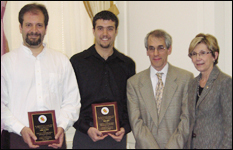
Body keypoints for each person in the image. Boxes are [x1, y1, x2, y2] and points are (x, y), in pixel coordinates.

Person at [1, 3, 81, 149]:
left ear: (45, 28)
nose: (34, 30)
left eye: (39, 25)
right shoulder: (6, 63)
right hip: (20, 140)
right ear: (20, 27)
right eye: (28, 25)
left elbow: (72, 101)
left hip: (55, 140)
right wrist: (21, 129)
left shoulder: (61, 61)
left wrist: (61, 127)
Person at [70, 10, 135, 149]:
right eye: (100, 28)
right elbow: (70, 102)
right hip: (85, 137)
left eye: (110, 29)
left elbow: (131, 102)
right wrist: (86, 128)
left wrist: (126, 128)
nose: (105, 34)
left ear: (116, 31)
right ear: (93, 30)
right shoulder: (77, 62)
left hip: (116, 139)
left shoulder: (127, 64)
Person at [127, 29, 194, 149]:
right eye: (151, 48)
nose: (156, 53)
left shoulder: (185, 79)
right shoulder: (133, 83)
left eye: (161, 48)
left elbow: (186, 120)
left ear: (169, 49)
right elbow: (136, 123)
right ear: (147, 51)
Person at [186, 33, 232, 149]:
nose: (198, 58)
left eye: (202, 53)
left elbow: (230, 125)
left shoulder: (224, 82)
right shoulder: (192, 84)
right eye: (194, 54)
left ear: (214, 55)